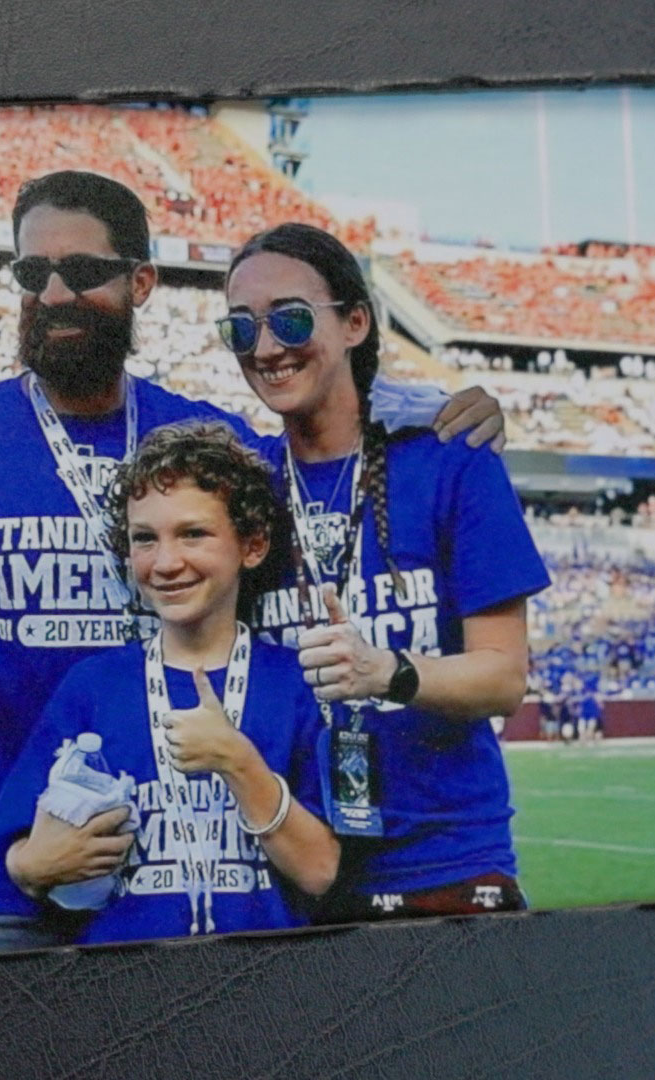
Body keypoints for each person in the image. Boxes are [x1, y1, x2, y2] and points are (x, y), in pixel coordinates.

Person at [0, 172, 507, 957]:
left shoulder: (209, 436)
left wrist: (434, 409)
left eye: (85, 271)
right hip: (4, 876)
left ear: (140, 282)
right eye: (33, 273)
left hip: (194, 872)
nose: (55, 291)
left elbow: (321, 428)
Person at [222, 223, 552, 922]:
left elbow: (503, 677)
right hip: (297, 870)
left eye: (289, 318)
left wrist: (387, 673)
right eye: (240, 328)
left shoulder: (450, 457)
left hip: (447, 863)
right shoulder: (240, 483)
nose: (267, 347)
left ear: (356, 322)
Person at [0, 422, 337, 944]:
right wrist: (31, 867)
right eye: (145, 539)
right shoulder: (92, 688)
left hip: (267, 986)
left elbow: (320, 871)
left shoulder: (297, 684)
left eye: (193, 534)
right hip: (125, 988)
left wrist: (238, 762)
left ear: (254, 544)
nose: (167, 563)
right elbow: (22, 853)